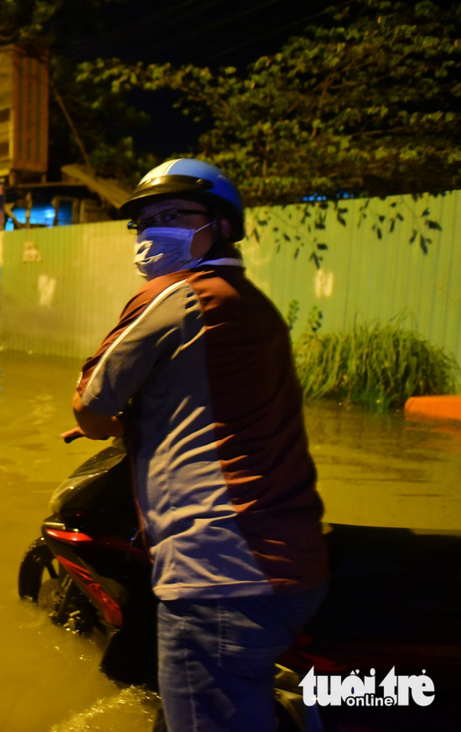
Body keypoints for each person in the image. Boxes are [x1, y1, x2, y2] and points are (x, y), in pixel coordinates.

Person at [65, 158, 329, 732]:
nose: (155, 231)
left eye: (173, 216)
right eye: (145, 222)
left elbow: (90, 403)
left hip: (218, 572)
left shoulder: (179, 297)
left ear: (222, 225)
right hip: (287, 566)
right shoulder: (252, 306)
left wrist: (110, 415)